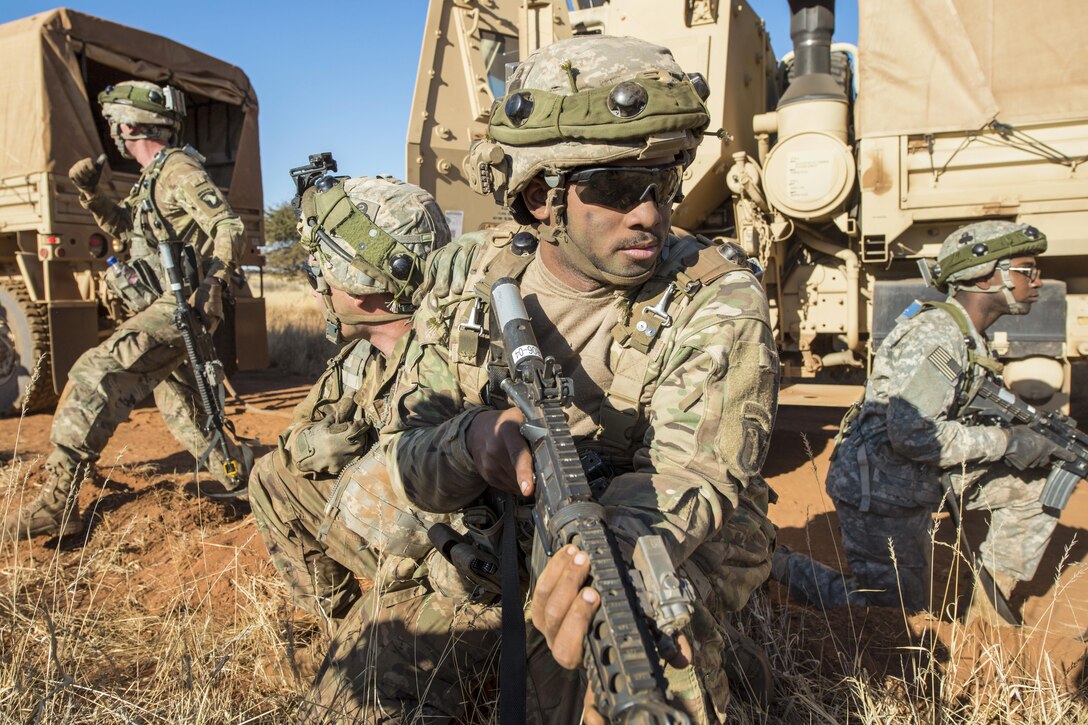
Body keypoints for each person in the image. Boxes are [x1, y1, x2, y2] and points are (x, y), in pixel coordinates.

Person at [304, 36, 780, 724]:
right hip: (485, 549)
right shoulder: (470, 276)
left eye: (664, 179)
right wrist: (472, 441)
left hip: (632, 542)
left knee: (646, 652)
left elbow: (691, 474)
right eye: (617, 188)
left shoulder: (717, 298)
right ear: (539, 199)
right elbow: (407, 451)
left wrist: (603, 563)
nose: (648, 211)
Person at [772, 220, 1068, 616]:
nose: (1037, 281)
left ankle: (988, 613)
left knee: (1034, 484)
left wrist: (1027, 438)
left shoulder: (964, 334)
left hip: (920, 474)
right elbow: (914, 436)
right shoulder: (936, 335)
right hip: (879, 487)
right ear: (984, 277)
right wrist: (1009, 442)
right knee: (891, 615)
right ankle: (778, 563)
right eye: (1026, 270)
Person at [3, 80, 250, 540]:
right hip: (169, 304)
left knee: (95, 373)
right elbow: (131, 234)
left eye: (115, 125)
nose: (113, 134)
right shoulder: (152, 178)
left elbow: (228, 225)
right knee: (185, 411)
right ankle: (246, 482)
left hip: (178, 307)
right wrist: (93, 196)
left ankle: (59, 501)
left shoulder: (177, 170)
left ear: (128, 126)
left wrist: (214, 282)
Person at [248, 174, 450, 625]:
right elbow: (295, 436)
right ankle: (335, 620)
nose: (317, 284)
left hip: (445, 566)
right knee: (271, 477)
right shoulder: (360, 356)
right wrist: (309, 447)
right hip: (397, 538)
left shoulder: (449, 364)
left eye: (322, 269)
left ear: (363, 281)